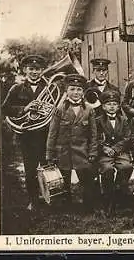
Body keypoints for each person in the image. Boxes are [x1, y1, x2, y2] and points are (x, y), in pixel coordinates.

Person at [1, 55, 49, 211]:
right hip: (27, 135)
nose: (35, 72)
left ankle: (51, 198)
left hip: (46, 133)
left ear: (42, 70)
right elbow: (5, 109)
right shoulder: (16, 88)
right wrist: (24, 109)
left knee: (48, 166)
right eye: (31, 69)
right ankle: (34, 200)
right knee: (30, 169)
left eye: (38, 69)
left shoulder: (49, 87)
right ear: (25, 70)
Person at [46, 74, 98, 211]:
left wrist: (92, 151)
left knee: (87, 181)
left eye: (79, 90)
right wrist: (50, 154)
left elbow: (93, 134)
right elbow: (52, 133)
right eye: (72, 89)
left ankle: (88, 206)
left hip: (82, 151)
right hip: (63, 151)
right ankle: (65, 205)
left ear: (83, 92)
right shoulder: (60, 109)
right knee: (64, 180)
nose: (76, 93)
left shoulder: (89, 109)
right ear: (66, 91)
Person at [95, 89, 133, 216]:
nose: (112, 107)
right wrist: (104, 148)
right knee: (107, 169)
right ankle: (107, 197)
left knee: (126, 167)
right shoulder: (98, 121)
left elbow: (127, 138)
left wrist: (115, 149)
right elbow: (95, 138)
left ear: (118, 106)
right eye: (108, 104)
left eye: (115, 104)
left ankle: (119, 193)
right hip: (105, 154)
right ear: (104, 106)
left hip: (120, 152)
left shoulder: (124, 120)